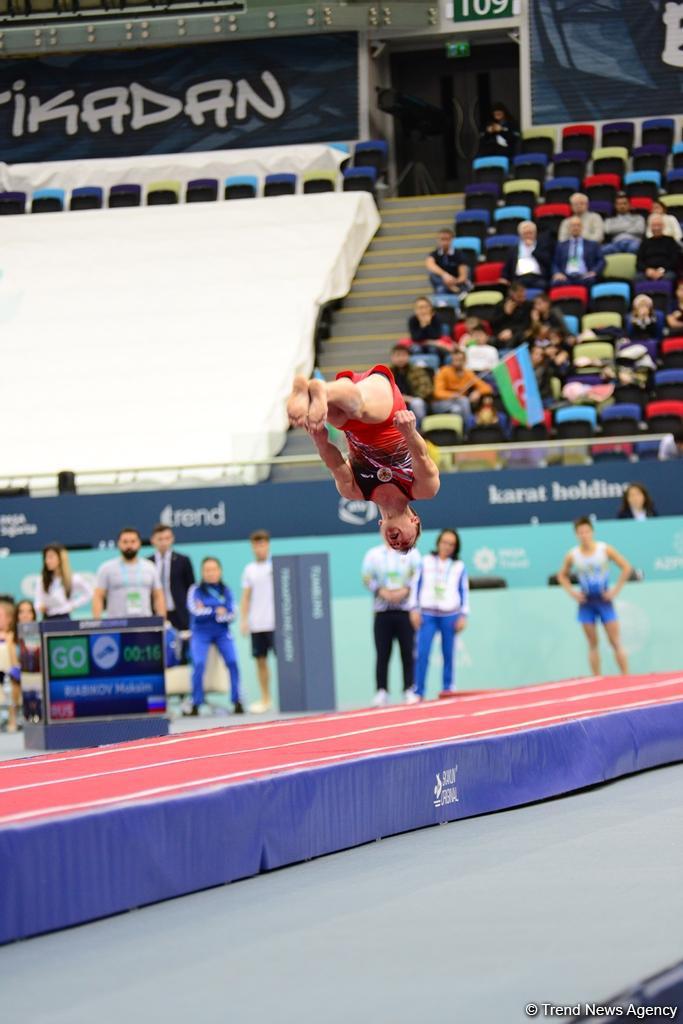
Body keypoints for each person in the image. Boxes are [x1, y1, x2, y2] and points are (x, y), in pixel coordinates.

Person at [287, 366, 440, 552]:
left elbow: (335, 465)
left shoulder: (355, 492)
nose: (396, 543)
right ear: (415, 521)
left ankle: (314, 393)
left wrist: (320, 441)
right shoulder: (423, 489)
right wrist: (409, 432)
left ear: (380, 524)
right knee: (359, 409)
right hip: (388, 415)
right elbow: (421, 457)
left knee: (335, 416)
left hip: (352, 425)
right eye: (406, 543)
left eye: (393, 546)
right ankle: (320, 391)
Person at [557, 517, 631, 676]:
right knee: (592, 644)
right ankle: (596, 679)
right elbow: (562, 576)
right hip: (586, 603)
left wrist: (615, 590)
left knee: (615, 641)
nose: (584, 535)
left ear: (592, 532)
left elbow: (626, 567)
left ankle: (626, 676)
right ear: (576, 535)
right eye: (580, 532)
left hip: (604, 601)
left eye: (586, 531)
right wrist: (572, 593)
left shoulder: (604, 549)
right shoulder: (573, 555)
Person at [409, 528, 469, 703]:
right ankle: (418, 691)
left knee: (448, 653)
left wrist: (463, 615)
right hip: (427, 614)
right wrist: (414, 609)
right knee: (422, 652)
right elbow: (415, 585)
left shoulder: (459, 566)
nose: (447, 547)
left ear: (456, 547)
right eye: (444, 542)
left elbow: (463, 590)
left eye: (451, 544)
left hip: (450, 614)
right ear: (438, 543)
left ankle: (448, 688)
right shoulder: (425, 561)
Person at [362, 537, 421, 706]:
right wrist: (381, 590)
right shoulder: (373, 554)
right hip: (382, 611)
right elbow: (366, 577)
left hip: (405, 610)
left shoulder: (412, 553)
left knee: (408, 652)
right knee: (382, 653)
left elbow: (419, 574)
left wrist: (405, 589)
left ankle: (409, 688)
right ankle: (382, 691)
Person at [186, 558, 243, 716]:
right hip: (200, 632)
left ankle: (237, 701)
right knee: (198, 663)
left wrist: (208, 610)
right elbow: (195, 612)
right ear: (203, 572)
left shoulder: (226, 591)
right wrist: (216, 611)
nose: (211, 573)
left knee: (232, 662)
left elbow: (232, 614)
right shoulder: (195, 590)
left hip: (222, 632)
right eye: (207, 570)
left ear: (220, 571)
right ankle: (195, 703)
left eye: (214, 569)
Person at [92, 527, 166, 619]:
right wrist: (97, 622)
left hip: (144, 623)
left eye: (133, 541)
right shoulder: (106, 568)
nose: (129, 546)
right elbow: (98, 596)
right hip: (116, 623)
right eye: (125, 542)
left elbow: (158, 596)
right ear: (119, 544)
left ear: (139, 543)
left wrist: (162, 621)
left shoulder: (150, 567)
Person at [240, 529, 276, 714]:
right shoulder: (249, 570)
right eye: (256, 545)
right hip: (257, 624)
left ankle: (289, 697)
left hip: (276, 624)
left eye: (263, 544)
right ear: (252, 547)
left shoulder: (276, 566)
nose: (259, 548)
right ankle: (266, 699)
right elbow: (245, 598)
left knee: (284, 662)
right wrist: (244, 620)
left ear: (268, 545)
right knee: (261, 662)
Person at [148, 524, 195, 634]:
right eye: (160, 539)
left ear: (172, 539)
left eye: (167, 538)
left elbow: (191, 587)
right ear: (153, 540)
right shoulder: (147, 563)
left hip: (179, 613)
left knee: (183, 647)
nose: (164, 542)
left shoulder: (183, 560)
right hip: (154, 613)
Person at [33, 543, 93, 620]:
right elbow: (37, 600)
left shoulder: (73, 578)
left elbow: (89, 593)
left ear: (61, 558)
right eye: (45, 558)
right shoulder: (41, 579)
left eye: (51, 557)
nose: (47, 561)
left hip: (64, 617)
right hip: (47, 618)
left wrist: (73, 605)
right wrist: (40, 607)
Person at [431, 347, 493, 421]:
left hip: (460, 403)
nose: (457, 362)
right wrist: (452, 395)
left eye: (460, 360)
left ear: (465, 361)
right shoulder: (444, 371)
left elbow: (487, 388)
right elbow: (437, 393)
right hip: (441, 403)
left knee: (457, 409)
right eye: (455, 360)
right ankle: (469, 427)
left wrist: (478, 392)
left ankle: (465, 429)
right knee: (463, 401)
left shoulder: (468, 373)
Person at [389, 344, 433, 427]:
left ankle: (419, 430)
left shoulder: (417, 370)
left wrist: (410, 399)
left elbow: (426, 389)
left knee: (417, 403)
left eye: (403, 355)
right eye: (397, 355)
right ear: (392, 357)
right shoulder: (388, 372)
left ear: (408, 356)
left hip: (415, 400)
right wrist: (401, 398)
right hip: (395, 402)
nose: (400, 359)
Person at [500, 222, 552, 291]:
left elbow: (548, 262)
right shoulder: (513, 249)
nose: (528, 236)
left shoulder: (542, 246)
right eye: (525, 233)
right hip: (519, 278)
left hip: (538, 278)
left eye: (530, 233)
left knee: (544, 285)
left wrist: (534, 250)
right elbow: (507, 267)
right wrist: (504, 277)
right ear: (520, 235)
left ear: (535, 234)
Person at [552, 217, 605, 285]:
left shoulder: (592, 244)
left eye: (578, 225)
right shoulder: (561, 246)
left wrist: (594, 272)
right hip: (566, 277)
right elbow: (555, 263)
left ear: (582, 227)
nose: (575, 228)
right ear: (569, 228)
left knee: (591, 281)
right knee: (555, 283)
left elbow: (601, 260)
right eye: (573, 225)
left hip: (585, 276)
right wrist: (557, 273)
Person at [425, 228, 471, 296]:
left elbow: (463, 276)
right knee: (432, 274)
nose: (445, 242)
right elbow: (429, 264)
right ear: (438, 240)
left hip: (457, 283)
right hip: (442, 284)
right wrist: (445, 275)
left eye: (447, 239)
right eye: (442, 239)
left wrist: (453, 282)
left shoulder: (459, 254)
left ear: (452, 239)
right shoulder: (434, 254)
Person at [636, 214, 681, 283]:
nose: (656, 228)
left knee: (669, 277)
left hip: (666, 270)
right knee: (638, 277)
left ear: (663, 226)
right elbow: (639, 261)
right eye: (654, 225)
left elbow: (674, 259)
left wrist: (661, 270)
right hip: (648, 271)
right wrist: (647, 270)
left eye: (659, 225)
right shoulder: (645, 242)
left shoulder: (670, 241)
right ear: (650, 227)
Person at [406, 296, 452, 364]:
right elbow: (416, 337)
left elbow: (436, 336)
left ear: (431, 308)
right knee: (416, 349)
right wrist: (423, 325)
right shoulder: (412, 320)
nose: (424, 310)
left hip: (434, 345)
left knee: (433, 350)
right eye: (420, 308)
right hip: (418, 345)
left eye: (426, 307)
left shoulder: (436, 318)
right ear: (415, 310)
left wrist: (428, 324)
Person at [490, 282, 533, 348]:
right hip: (501, 333)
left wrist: (511, 331)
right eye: (519, 296)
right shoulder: (500, 305)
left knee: (520, 338)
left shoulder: (527, 305)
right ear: (511, 294)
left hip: (518, 333)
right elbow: (493, 323)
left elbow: (526, 324)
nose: (522, 299)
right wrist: (506, 313)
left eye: (524, 296)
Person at [0, 596, 19, 733]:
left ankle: (12, 718)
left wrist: (10, 642)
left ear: (10, 618)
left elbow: (15, 663)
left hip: (10, 674)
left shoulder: (13, 636)